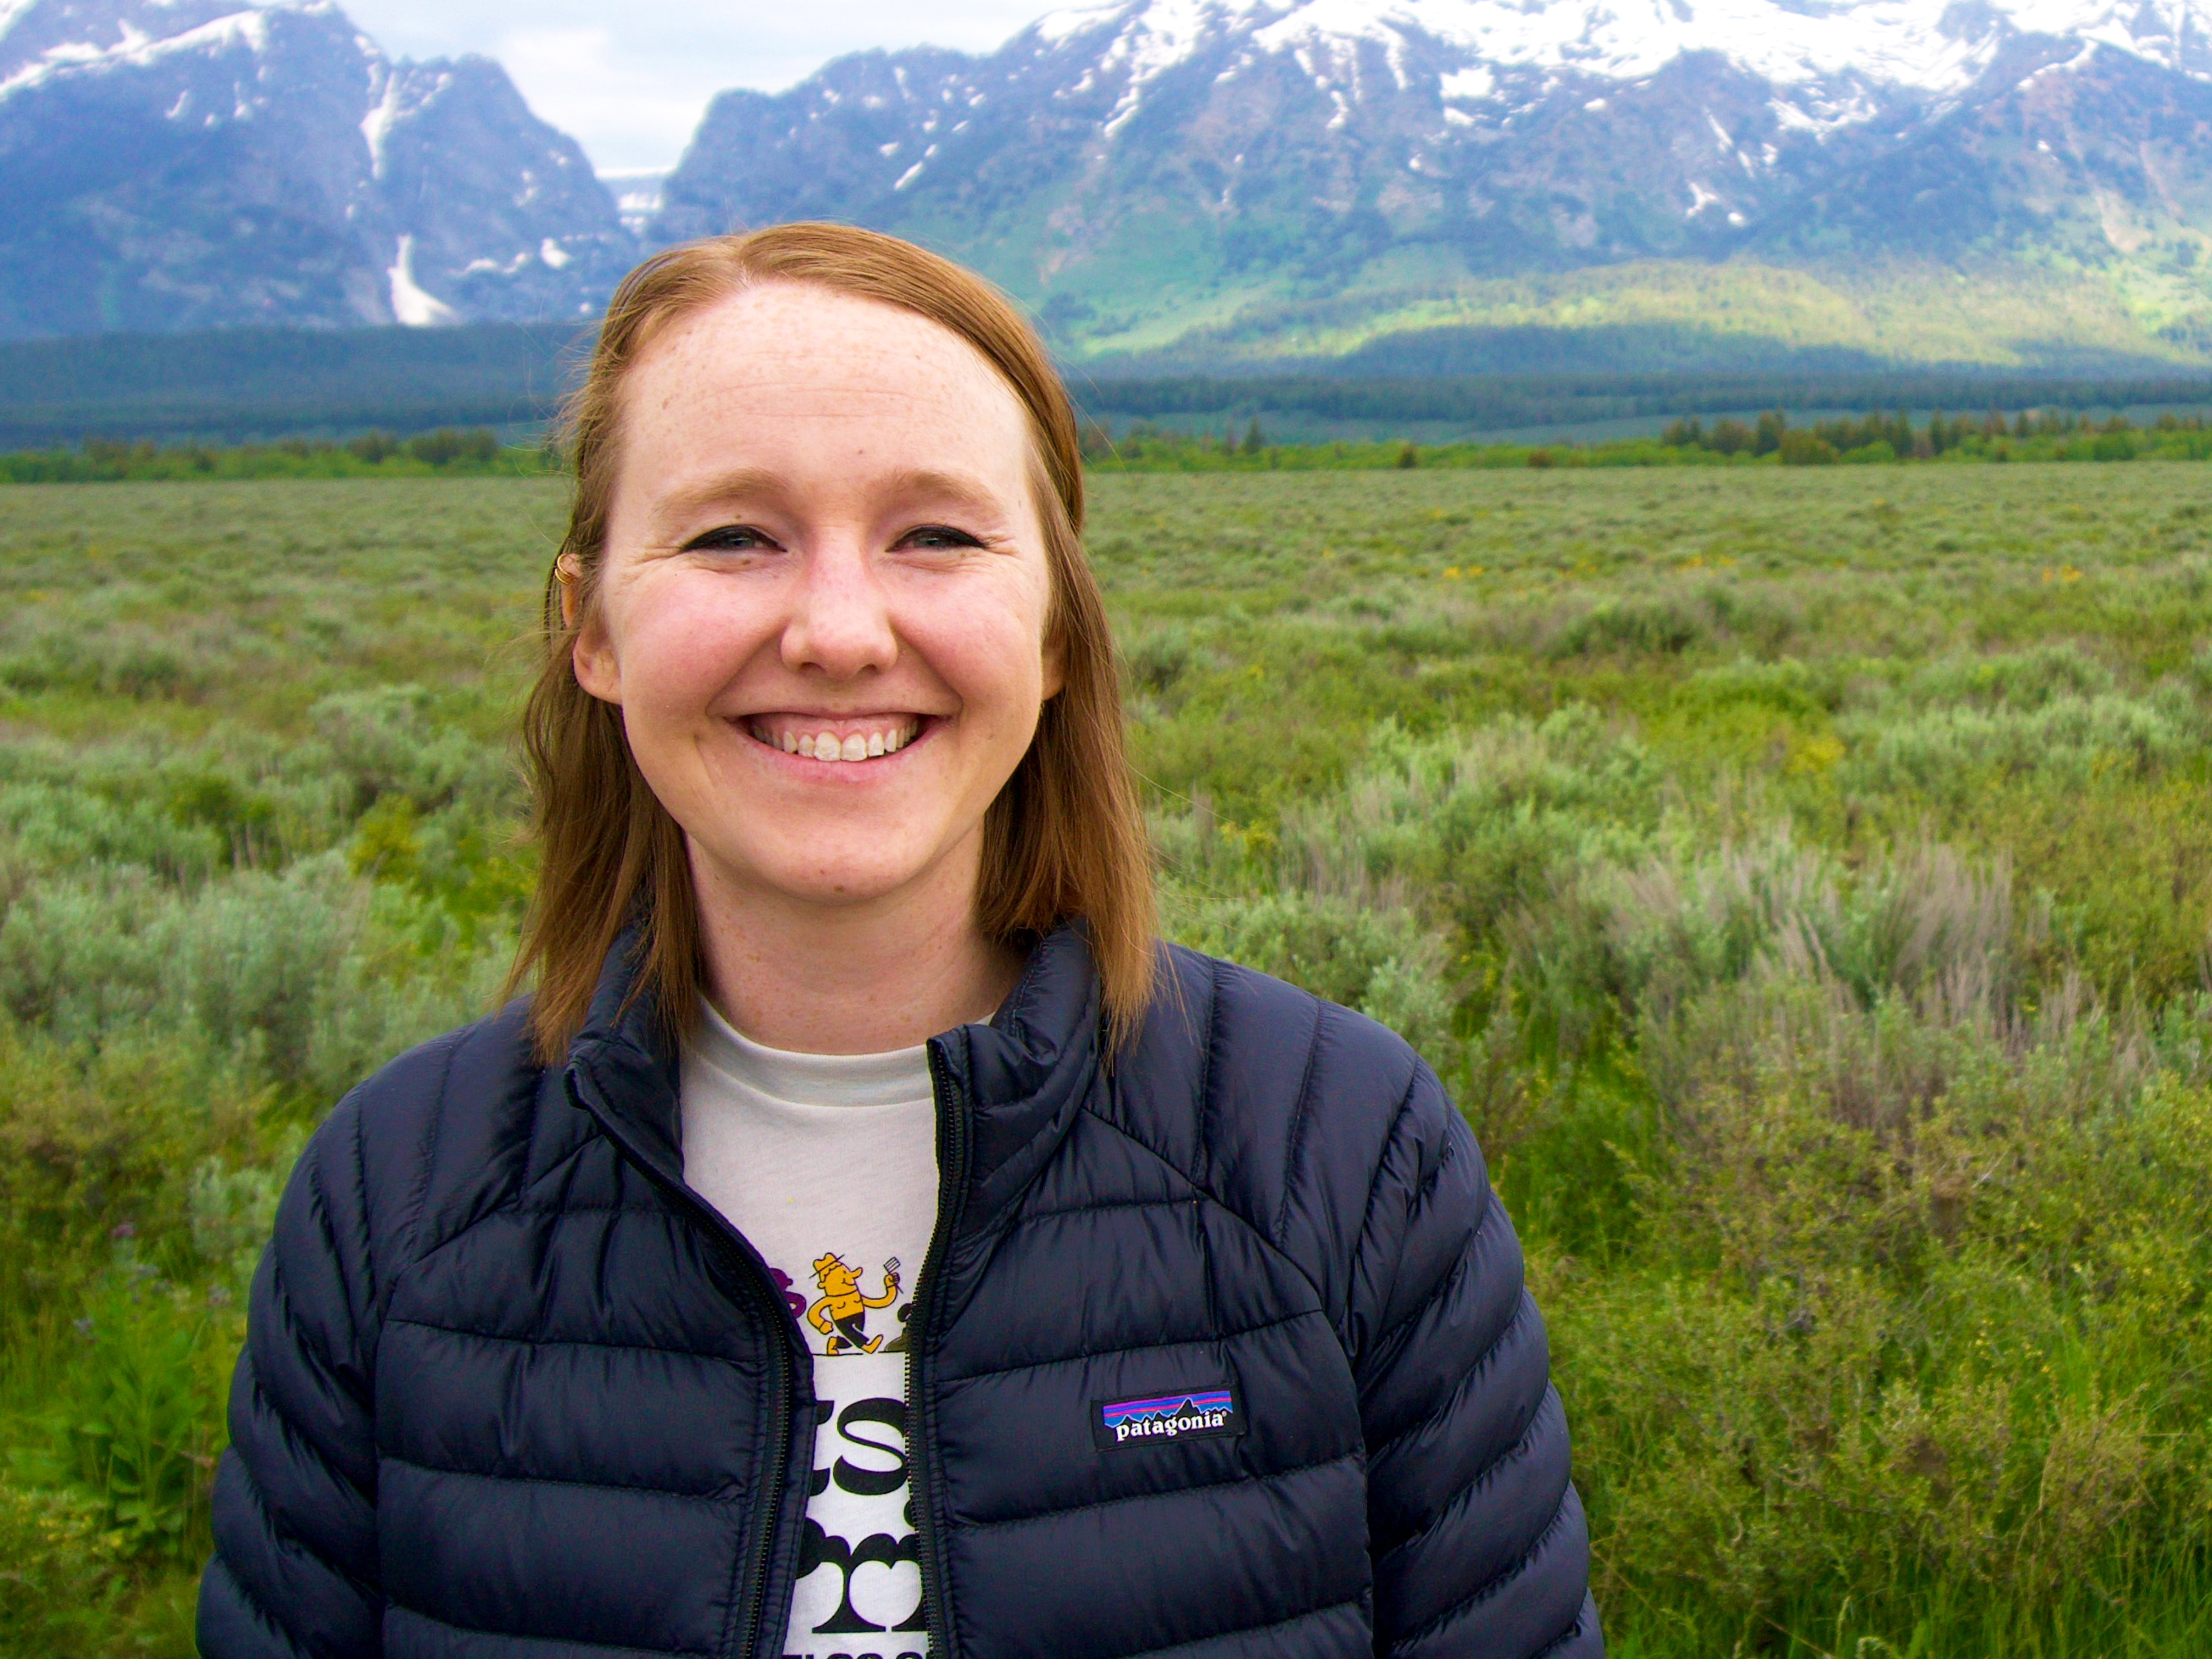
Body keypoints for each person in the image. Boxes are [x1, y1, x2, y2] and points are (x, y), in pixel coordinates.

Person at [196, 223, 1603, 1659]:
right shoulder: (397, 1197)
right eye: (732, 535)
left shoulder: (1338, 1151)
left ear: (1055, 627)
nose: (837, 628)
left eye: (934, 534)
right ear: (593, 626)